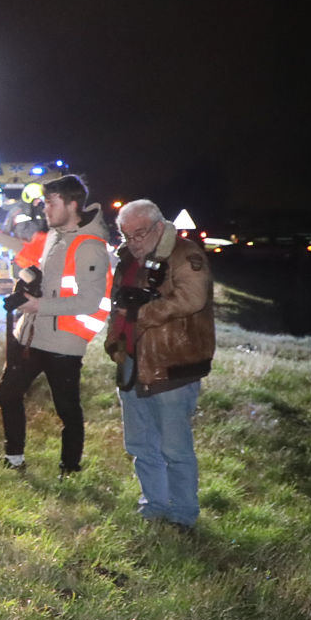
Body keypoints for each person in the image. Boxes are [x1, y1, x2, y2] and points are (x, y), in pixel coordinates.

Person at [104, 199, 215, 528]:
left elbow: (193, 298)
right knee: (139, 443)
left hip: (173, 363)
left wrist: (143, 315)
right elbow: (118, 304)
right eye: (126, 235)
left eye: (138, 235)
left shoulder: (184, 254)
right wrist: (115, 341)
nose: (132, 243)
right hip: (132, 362)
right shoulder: (127, 258)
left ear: (157, 227)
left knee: (175, 448)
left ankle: (183, 515)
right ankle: (154, 503)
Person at [0, 174, 113, 474]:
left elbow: (90, 301)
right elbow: (46, 277)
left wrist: (40, 305)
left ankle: (70, 468)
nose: (45, 209)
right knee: (8, 392)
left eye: (51, 203)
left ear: (72, 204)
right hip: (32, 333)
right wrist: (30, 280)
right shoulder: (53, 236)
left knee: (67, 409)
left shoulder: (91, 246)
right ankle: (14, 458)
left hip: (64, 339)